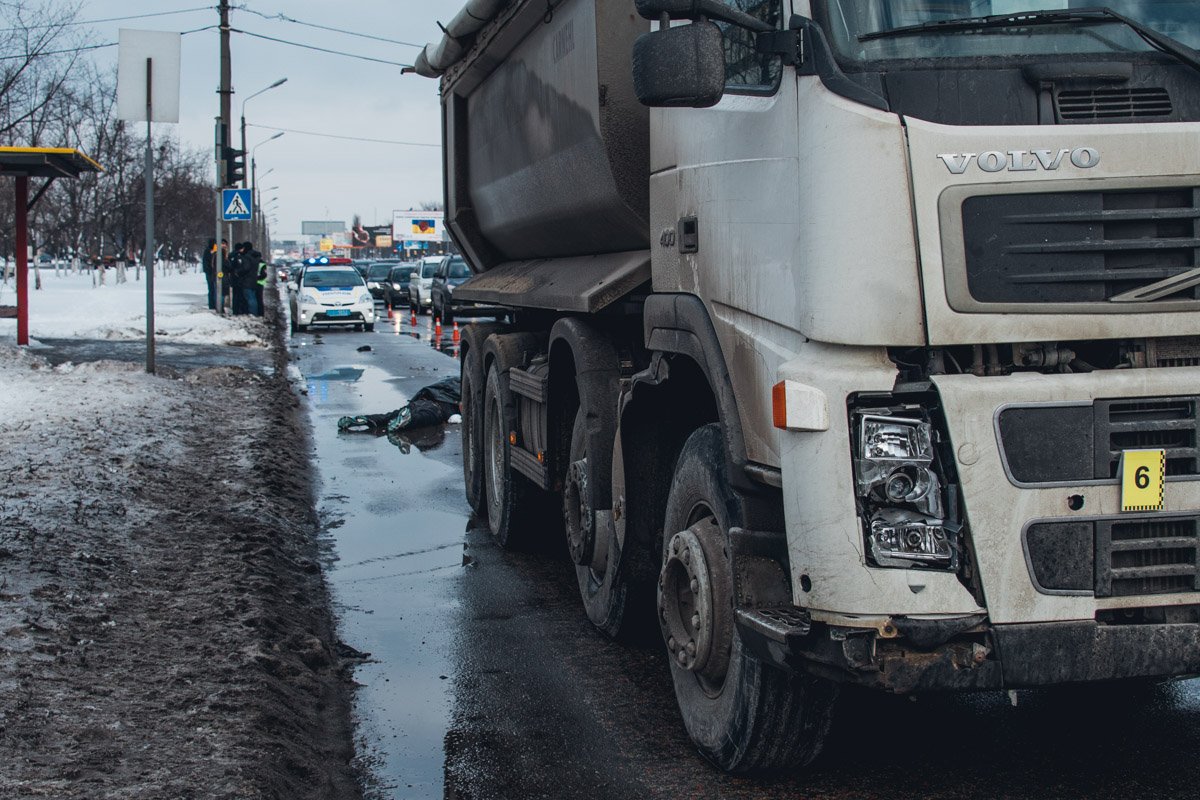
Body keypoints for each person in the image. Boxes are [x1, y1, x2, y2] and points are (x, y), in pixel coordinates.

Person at [229, 242, 247, 315]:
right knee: (240, 295)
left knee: (235, 295)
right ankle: (239, 311)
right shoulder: (239, 256)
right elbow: (240, 267)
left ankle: (235, 310)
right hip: (239, 278)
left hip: (233, 278)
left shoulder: (230, 255)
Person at [203, 239, 218, 310]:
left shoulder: (209, 251)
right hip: (211, 273)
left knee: (212, 289)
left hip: (210, 273)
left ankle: (213, 304)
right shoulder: (209, 251)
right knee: (212, 289)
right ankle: (212, 305)